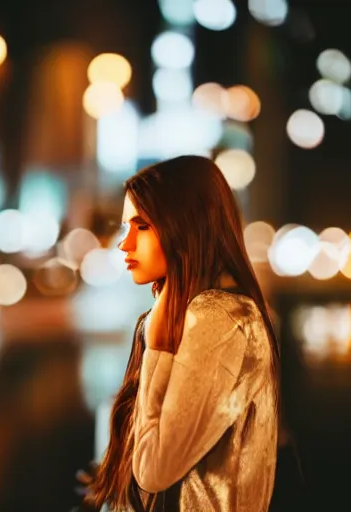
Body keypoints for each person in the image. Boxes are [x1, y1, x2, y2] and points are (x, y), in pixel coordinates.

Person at [86, 155, 281, 511]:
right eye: (125, 226)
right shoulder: (204, 313)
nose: (124, 243)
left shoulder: (219, 318)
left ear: (186, 226)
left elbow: (153, 469)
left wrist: (157, 346)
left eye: (141, 226)